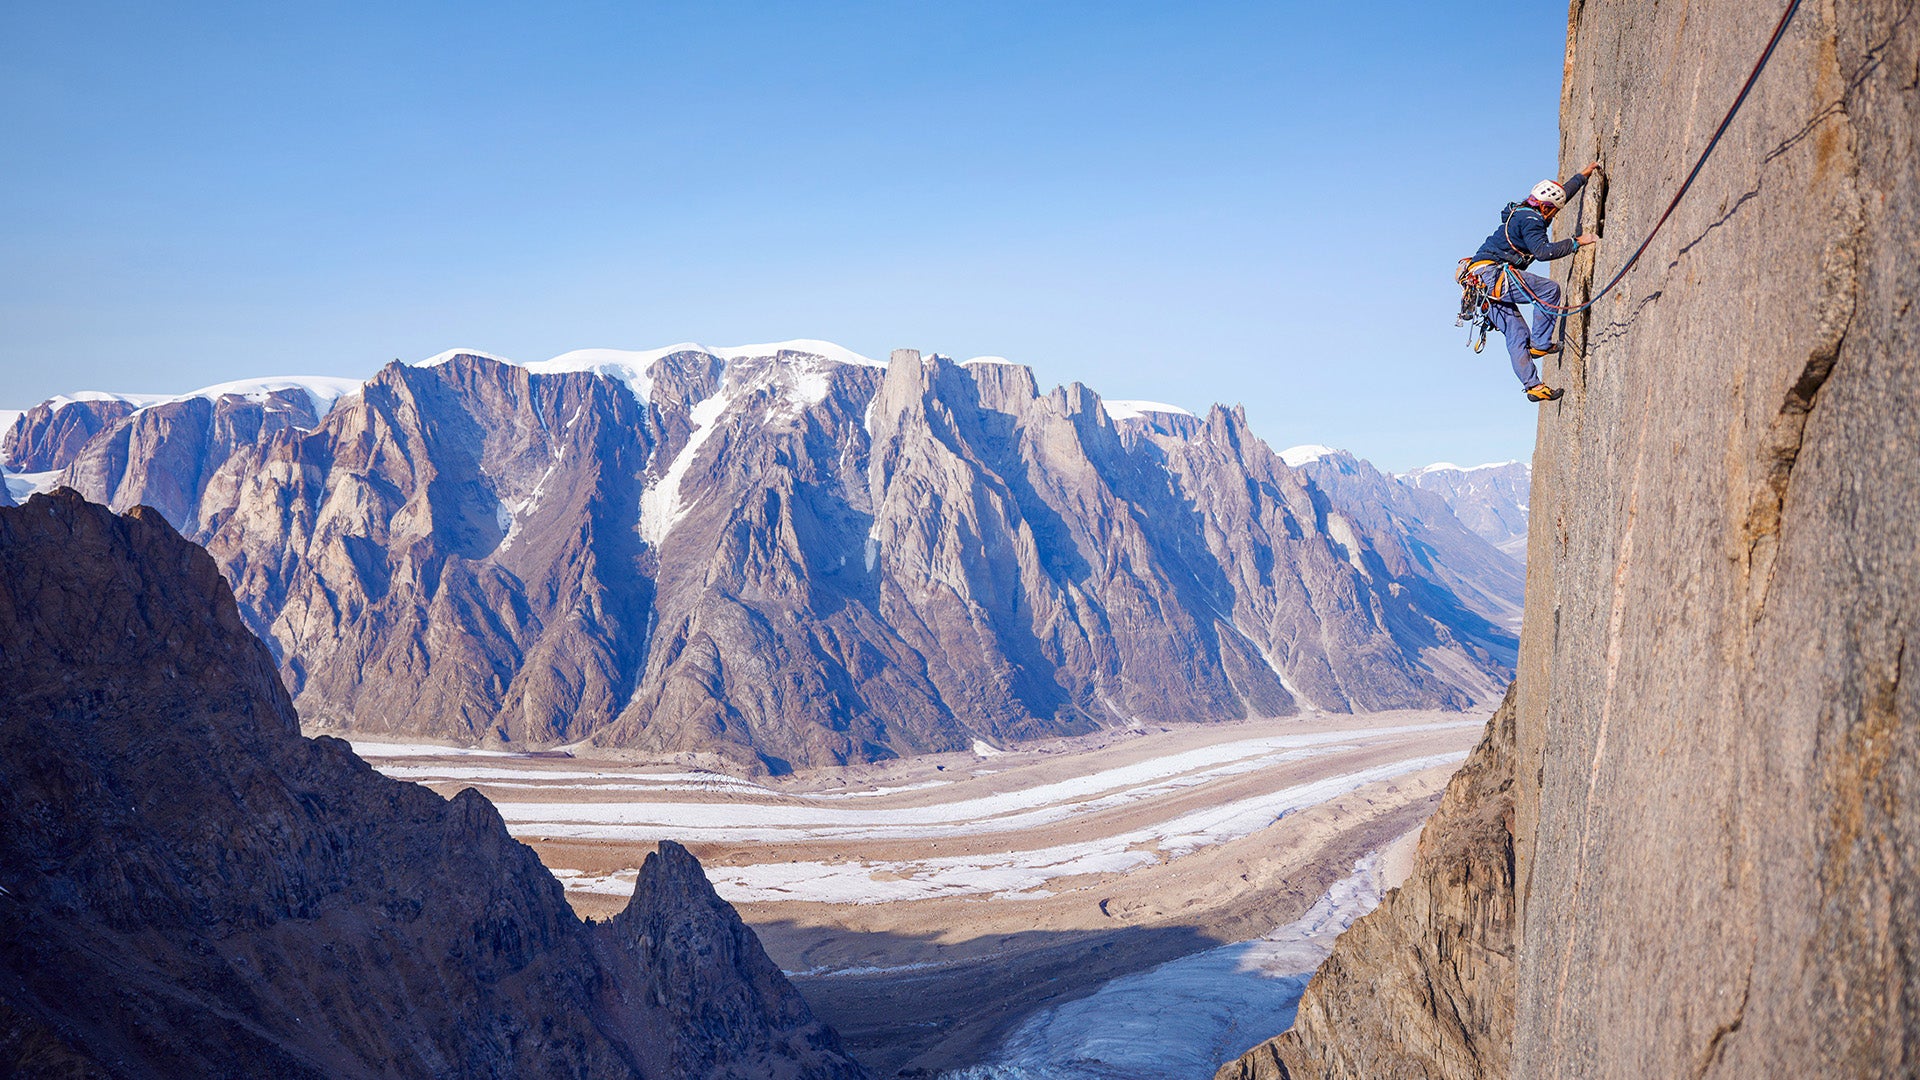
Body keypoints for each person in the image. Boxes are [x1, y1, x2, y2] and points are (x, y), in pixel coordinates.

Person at [1467, 163, 1602, 402]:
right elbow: (1542, 251)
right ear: (1543, 207)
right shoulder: (1531, 220)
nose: (1551, 217)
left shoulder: (1523, 210)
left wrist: (1582, 176)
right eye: (1551, 212)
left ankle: (1533, 386)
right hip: (1494, 275)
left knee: (1516, 334)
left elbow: (1559, 198)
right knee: (1550, 291)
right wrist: (1577, 242)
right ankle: (1540, 344)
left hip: (1479, 284)